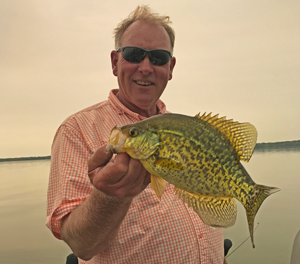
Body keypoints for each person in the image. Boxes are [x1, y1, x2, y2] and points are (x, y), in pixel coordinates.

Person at [46, 5, 228, 264]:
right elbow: (80, 245)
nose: (146, 67)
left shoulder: (183, 132)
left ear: (171, 67)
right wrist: (109, 195)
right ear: (114, 62)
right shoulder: (76, 130)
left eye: (158, 58)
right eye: (134, 54)